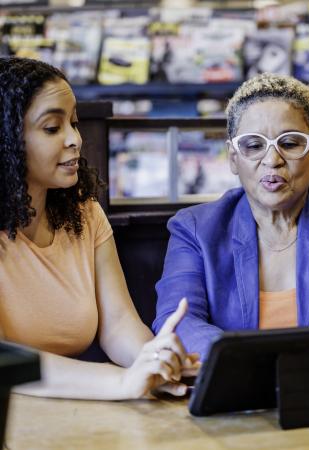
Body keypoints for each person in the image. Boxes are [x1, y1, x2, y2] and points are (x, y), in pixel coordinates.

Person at [153, 72, 309, 406]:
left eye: (290, 142)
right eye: (253, 145)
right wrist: (269, 368)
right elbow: (179, 323)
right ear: (232, 158)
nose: (272, 159)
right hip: (232, 411)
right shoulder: (194, 229)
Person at [0, 57, 198, 400]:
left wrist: (155, 362)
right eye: (52, 128)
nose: (74, 139)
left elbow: (118, 324)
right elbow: (5, 361)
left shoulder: (85, 215)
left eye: (73, 123)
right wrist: (120, 382)